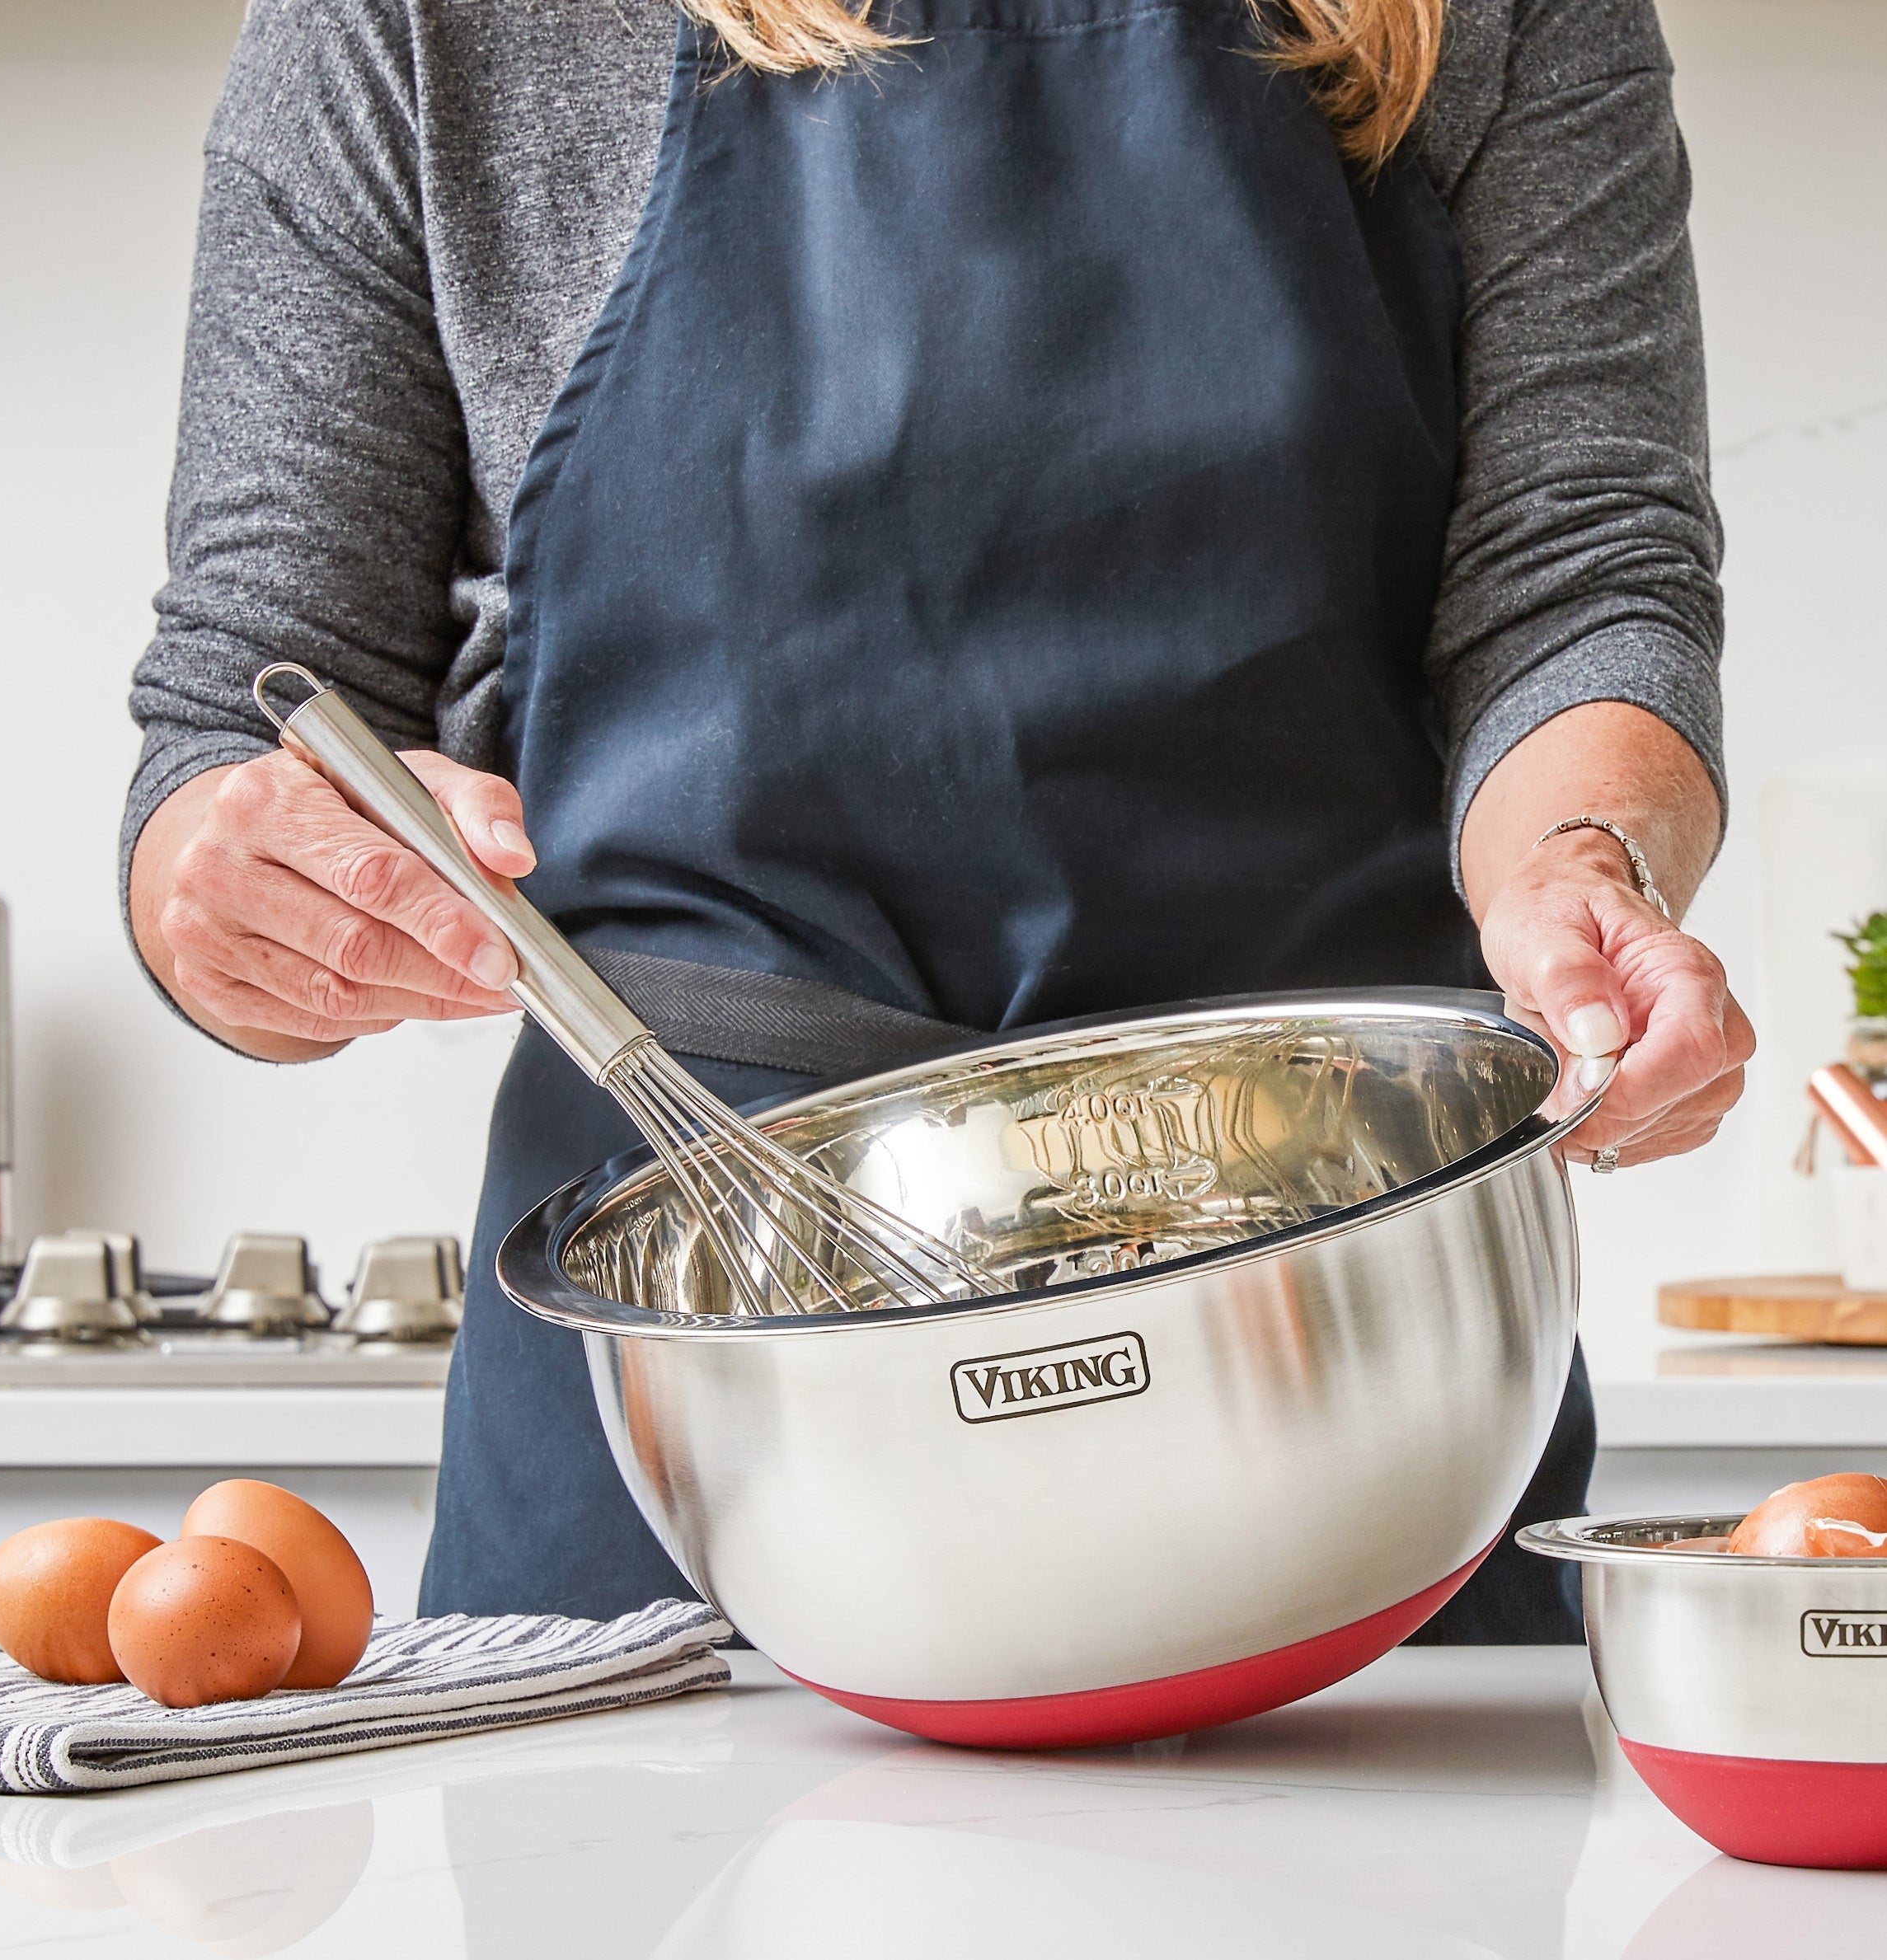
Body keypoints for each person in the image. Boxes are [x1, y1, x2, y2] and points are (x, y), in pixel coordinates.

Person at [124, 0, 1753, 1639]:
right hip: (711, 1364)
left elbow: (1576, 572)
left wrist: (1575, 867)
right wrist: (235, 895)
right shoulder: (428, 26)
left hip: (1347, 1330)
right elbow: (244, 695)